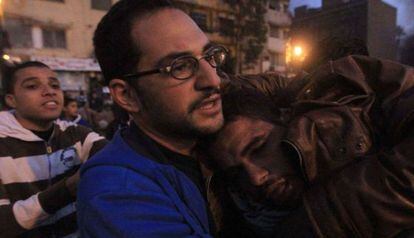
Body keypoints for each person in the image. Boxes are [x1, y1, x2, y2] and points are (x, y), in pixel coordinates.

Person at [203, 55, 414, 237]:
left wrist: (323, 219)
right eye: (237, 172)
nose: (255, 178)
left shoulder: (346, 87)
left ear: (286, 119)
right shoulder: (238, 216)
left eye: (259, 148)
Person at [77, 0, 226, 237]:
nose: (213, 80)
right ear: (127, 96)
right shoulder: (116, 192)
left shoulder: (205, 140)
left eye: (210, 55)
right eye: (180, 67)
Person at [0, 61, 107, 238]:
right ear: (11, 99)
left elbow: (116, 156)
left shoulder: (76, 134)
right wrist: (67, 189)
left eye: (54, 85)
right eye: (32, 86)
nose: (49, 91)